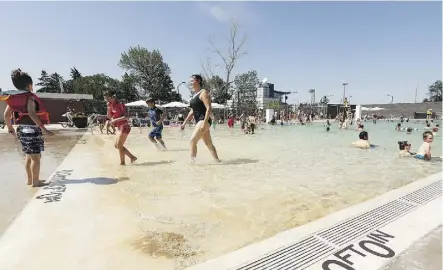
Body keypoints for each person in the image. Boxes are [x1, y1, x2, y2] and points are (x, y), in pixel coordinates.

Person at [1, 69, 54, 187]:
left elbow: (6, 115)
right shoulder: (30, 97)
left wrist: (10, 128)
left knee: (28, 155)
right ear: (29, 85)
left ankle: (30, 180)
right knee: (36, 157)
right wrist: (44, 129)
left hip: (21, 129)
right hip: (32, 129)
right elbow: (31, 113)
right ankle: (36, 181)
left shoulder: (13, 98)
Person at [181, 74, 220, 163]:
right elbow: (192, 111)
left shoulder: (203, 92)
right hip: (201, 121)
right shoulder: (194, 95)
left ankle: (192, 163)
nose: (190, 83)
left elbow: (209, 108)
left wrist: (204, 122)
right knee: (209, 144)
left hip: (203, 120)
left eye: (192, 81)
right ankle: (217, 161)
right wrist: (184, 122)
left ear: (198, 81)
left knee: (192, 141)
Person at [104, 90, 137, 165]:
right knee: (116, 146)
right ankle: (132, 157)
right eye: (105, 99)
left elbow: (126, 117)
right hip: (119, 127)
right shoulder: (110, 105)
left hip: (125, 126)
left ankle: (122, 163)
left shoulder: (120, 104)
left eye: (108, 98)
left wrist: (115, 120)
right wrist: (108, 108)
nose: (107, 100)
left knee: (119, 145)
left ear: (113, 97)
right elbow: (109, 117)